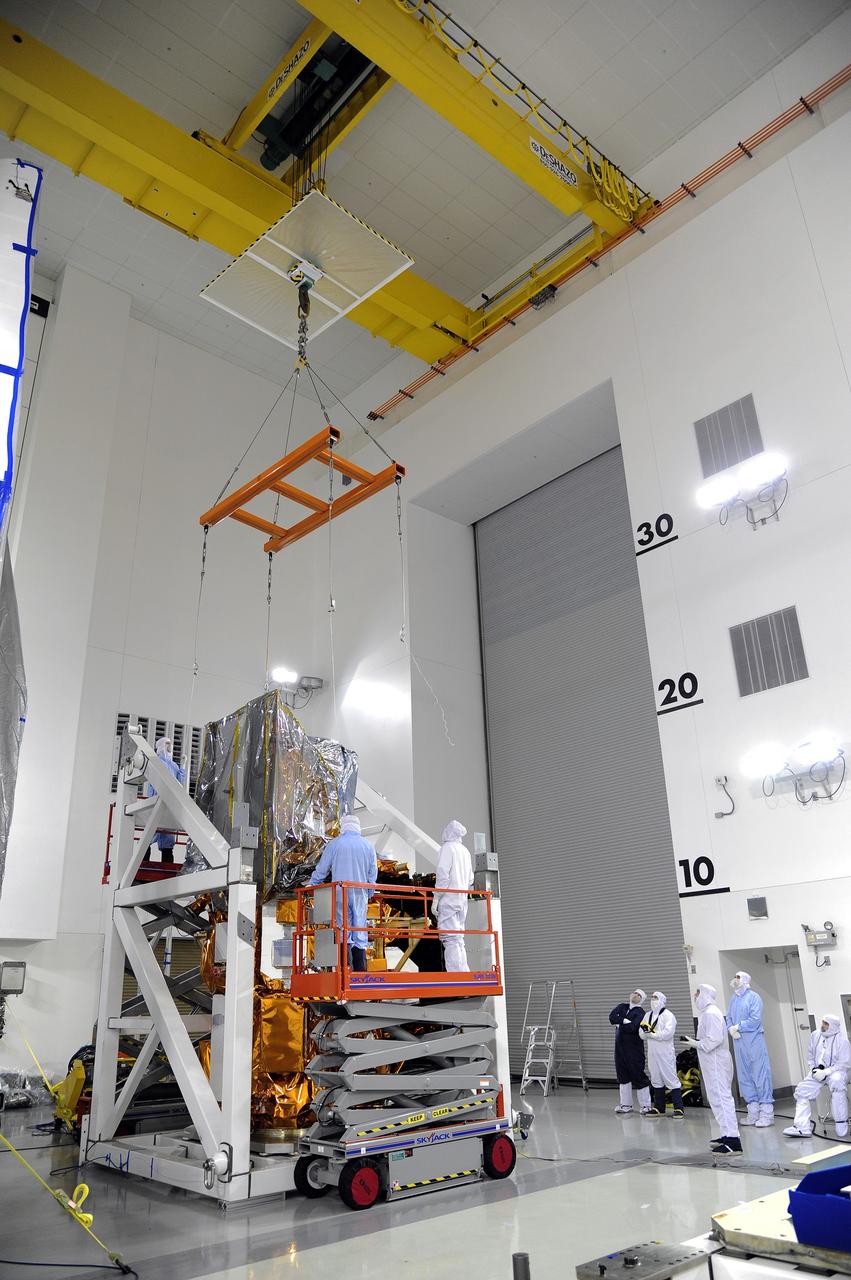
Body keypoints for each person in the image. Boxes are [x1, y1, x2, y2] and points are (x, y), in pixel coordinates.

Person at [308, 813, 378, 972]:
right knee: (359, 930)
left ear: (343, 826)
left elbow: (322, 869)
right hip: (360, 894)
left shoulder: (335, 844)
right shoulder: (368, 845)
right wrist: (369, 893)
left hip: (340, 894)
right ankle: (360, 975)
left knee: (342, 931)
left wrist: (313, 885)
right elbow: (372, 874)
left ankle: (343, 973)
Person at [681, 983, 741, 1153]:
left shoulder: (711, 1013)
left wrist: (695, 1043)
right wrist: (696, 1043)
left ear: (705, 994)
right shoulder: (706, 1013)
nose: (695, 996)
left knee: (722, 1099)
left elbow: (713, 1040)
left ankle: (734, 1141)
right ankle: (726, 1134)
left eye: (698, 993)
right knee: (716, 1099)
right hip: (710, 1061)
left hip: (716, 1061)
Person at [783, 1015, 850, 1138]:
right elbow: (810, 1054)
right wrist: (814, 1069)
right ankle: (802, 1127)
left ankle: (841, 1123)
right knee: (802, 1090)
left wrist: (826, 1072)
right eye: (823, 1022)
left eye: (826, 1024)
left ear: (833, 1026)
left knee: (836, 1083)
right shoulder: (816, 1035)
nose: (823, 1025)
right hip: (818, 1072)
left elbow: (844, 1063)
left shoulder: (842, 1041)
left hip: (837, 1071)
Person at [726, 971, 774, 1126]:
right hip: (739, 1042)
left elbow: (755, 1019)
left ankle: (766, 1113)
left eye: (738, 977)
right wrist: (730, 1029)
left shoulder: (754, 997)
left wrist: (738, 1027)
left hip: (754, 1041)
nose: (736, 979)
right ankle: (753, 1111)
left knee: (760, 1074)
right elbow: (729, 1018)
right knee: (744, 1075)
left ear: (745, 980)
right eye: (735, 977)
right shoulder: (734, 999)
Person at [433, 820, 474, 972]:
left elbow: (443, 875)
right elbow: (470, 879)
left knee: (449, 938)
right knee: (458, 937)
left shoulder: (447, 848)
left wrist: (436, 898)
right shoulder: (465, 851)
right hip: (462, 900)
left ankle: (456, 974)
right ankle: (463, 971)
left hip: (449, 899)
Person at [639, 991, 685, 1117]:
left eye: (656, 998)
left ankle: (678, 1108)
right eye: (652, 998)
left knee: (671, 1078)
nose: (653, 1000)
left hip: (665, 1053)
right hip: (652, 1053)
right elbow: (641, 1032)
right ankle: (659, 1107)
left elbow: (668, 1033)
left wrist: (654, 1034)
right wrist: (646, 1034)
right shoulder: (647, 1015)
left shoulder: (668, 1015)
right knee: (656, 1078)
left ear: (662, 1000)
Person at [608, 989, 652, 1114]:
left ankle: (646, 1105)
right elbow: (611, 1017)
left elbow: (633, 1027)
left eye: (639, 995)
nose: (635, 995)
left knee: (638, 1074)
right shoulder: (622, 1006)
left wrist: (619, 1023)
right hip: (619, 1048)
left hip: (634, 1049)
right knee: (623, 1075)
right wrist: (624, 1021)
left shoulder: (640, 1012)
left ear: (642, 999)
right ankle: (626, 1105)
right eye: (635, 992)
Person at [146, 736, 186, 863]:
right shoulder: (155, 762)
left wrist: (183, 768)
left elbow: (178, 783)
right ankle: (143, 862)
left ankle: (167, 866)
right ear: (161, 746)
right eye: (167, 744)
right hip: (156, 802)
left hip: (169, 805)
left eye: (171, 744)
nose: (170, 746)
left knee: (168, 839)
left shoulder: (174, 765)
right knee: (149, 836)